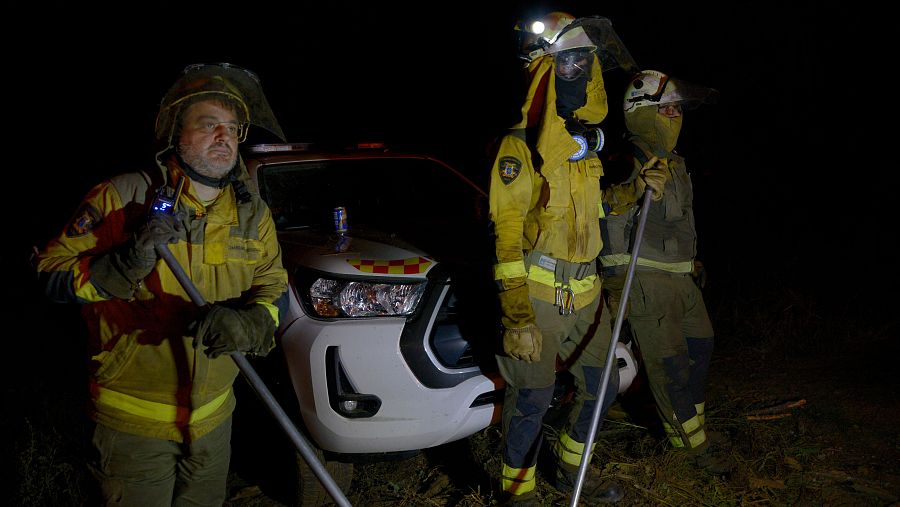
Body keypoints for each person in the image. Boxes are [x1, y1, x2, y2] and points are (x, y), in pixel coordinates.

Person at [34, 62, 289, 505]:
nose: (224, 137)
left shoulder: (252, 213)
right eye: (209, 125)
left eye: (232, 127)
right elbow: (50, 276)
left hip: (214, 422)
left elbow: (275, 288)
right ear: (176, 133)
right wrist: (127, 262)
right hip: (133, 424)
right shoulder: (124, 197)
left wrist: (251, 325)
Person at [489, 12, 667, 505]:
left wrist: (636, 189)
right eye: (569, 63)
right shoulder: (519, 146)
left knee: (606, 382)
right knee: (532, 397)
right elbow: (505, 235)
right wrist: (517, 314)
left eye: (585, 64)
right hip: (540, 296)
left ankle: (569, 467)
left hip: (587, 298)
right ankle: (516, 492)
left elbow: (599, 208)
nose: (580, 72)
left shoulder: (583, 149)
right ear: (546, 70)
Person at [598, 69, 727, 472]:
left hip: (680, 279)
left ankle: (695, 428)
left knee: (699, 350)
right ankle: (692, 452)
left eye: (677, 108)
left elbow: (680, 221)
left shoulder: (676, 162)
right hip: (644, 280)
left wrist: (693, 262)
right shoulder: (625, 157)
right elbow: (591, 206)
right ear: (642, 111)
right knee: (669, 365)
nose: (674, 114)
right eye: (666, 107)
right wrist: (632, 190)